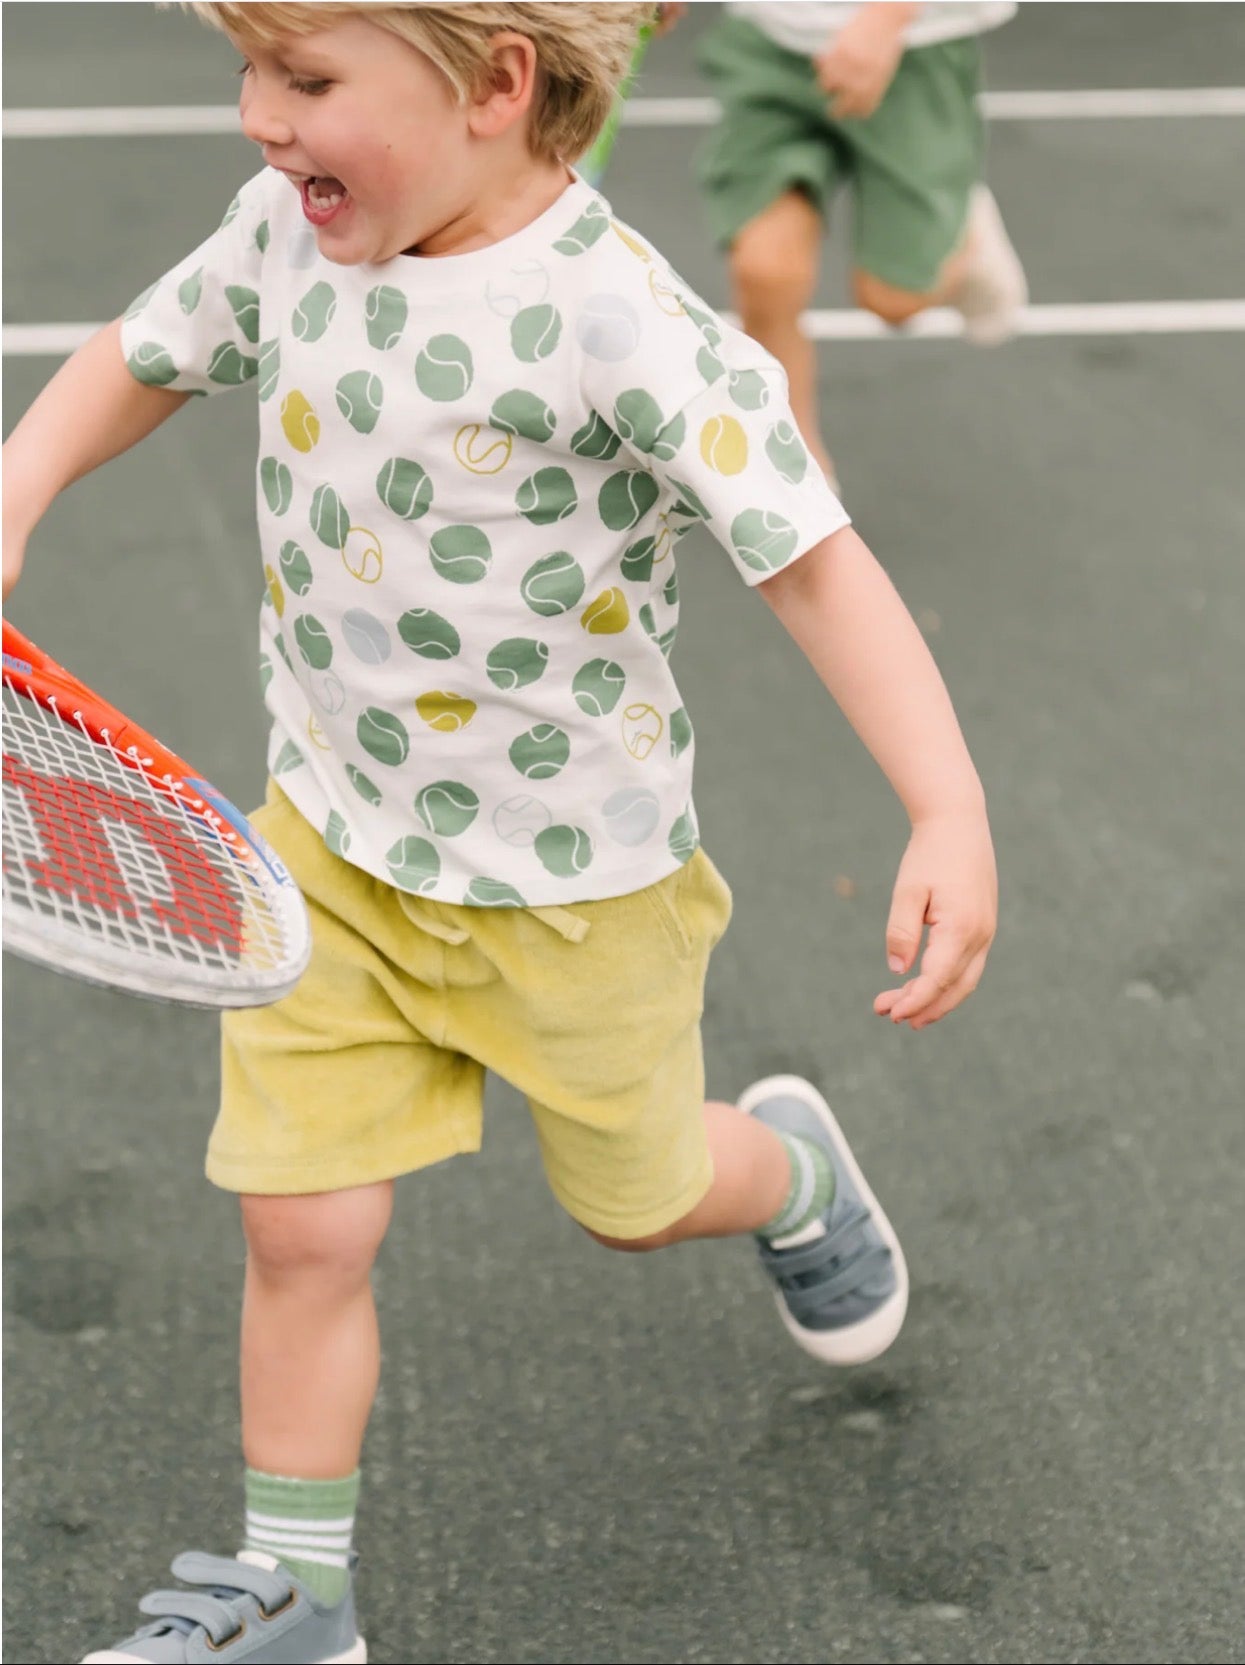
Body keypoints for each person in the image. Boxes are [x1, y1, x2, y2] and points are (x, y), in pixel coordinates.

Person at [1, 5, 997, 1661]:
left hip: (576, 896)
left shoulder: (620, 323)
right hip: (330, 855)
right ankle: (298, 1600)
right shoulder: (284, 233)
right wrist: (18, 480)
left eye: (307, 80)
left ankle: (795, 1174)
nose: (257, 118)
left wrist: (946, 804)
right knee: (300, 1225)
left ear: (497, 86)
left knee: (637, 1200)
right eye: (249, 71)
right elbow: (144, 352)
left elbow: (810, 557)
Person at [697, 1, 1028, 487]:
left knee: (894, 299)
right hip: (769, 36)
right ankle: (794, 470)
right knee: (763, 270)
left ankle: (964, 232)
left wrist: (887, 16)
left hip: (913, 47)